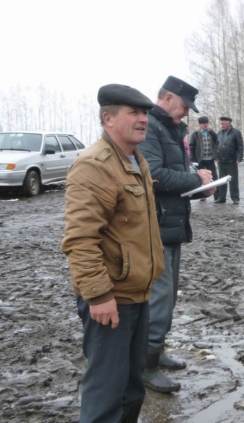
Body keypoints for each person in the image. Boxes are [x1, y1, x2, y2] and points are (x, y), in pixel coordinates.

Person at [62, 84, 164, 423]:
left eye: (145, 113)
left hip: (137, 292)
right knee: (106, 392)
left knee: (133, 388)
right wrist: (98, 295)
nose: (143, 119)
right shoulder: (95, 166)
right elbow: (81, 240)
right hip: (111, 299)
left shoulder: (135, 160)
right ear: (108, 119)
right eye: (133, 113)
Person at [137, 76, 215, 393]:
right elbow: (153, 176)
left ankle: (157, 352)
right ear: (168, 98)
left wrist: (199, 187)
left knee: (167, 300)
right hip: (154, 229)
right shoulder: (150, 129)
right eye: (184, 106)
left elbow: (177, 181)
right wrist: (194, 177)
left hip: (171, 226)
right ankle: (146, 365)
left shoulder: (172, 129)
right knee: (158, 300)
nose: (186, 113)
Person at [189, 116, 219, 202]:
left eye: (206, 123)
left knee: (214, 177)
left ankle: (217, 196)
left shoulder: (211, 133)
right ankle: (202, 195)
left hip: (210, 159)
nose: (205, 125)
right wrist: (191, 159)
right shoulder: (195, 134)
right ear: (200, 124)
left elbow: (217, 140)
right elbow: (191, 146)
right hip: (200, 159)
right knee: (201, 178)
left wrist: (212, 131)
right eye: (203, 124)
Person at [215, 116, 244, 204]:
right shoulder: (219, 133)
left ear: (229, 123)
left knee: (233, 180)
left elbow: (240, 146)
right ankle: (222, 197)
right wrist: (216, 157)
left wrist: (239, 158)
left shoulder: (236, 132)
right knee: (222, 180)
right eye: (221, 123)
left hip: (232, 160)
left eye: (223, 123)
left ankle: (235, 198)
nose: (222, 125)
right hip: (221, 160)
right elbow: (216, 145)